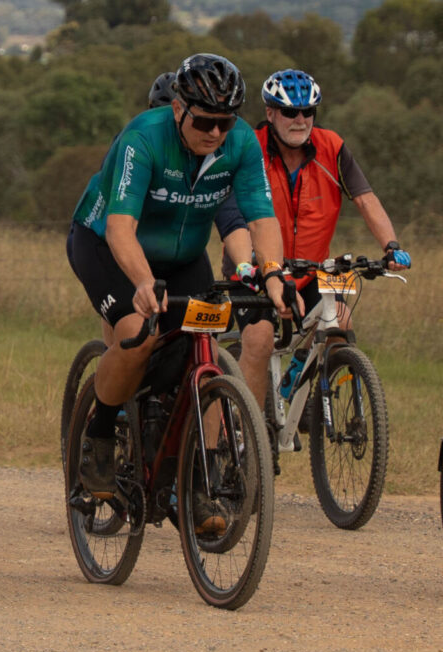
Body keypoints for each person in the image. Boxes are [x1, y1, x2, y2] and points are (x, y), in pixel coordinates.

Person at [66, 54, 298, 527]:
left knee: (203, 347)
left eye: (226, 122)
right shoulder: (143, 138)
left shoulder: (238, 145)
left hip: (182, 253)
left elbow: (260, 216)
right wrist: (143, 282)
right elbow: (120, 228)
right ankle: (101, 434)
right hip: (108, 244)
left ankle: (197, 481)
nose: (216, 133)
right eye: (206, 121)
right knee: (137, 334)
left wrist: (272, 273)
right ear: (178, 109)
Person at [229, 69, 411, 404]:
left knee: (339, 323)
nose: (299, 120)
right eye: (289, 112)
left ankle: (307, 392)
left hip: (310, 269)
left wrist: (391, 246)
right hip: (257, 269)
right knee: (260, 340)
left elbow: (365, 198)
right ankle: (249, 439)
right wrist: (247, 263)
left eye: (307, 112)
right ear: (270, 113)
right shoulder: (248, 148)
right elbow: (231, 214)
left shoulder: (333, 148)